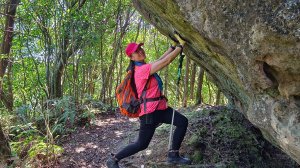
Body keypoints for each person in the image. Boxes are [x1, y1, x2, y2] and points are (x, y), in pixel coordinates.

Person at [106, 34, 191, 168]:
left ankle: (173, 155)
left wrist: (172, 47)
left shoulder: (144, 67)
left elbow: (159, 60)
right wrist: (180, 47)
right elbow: (165, 62)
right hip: (149, 113)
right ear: (132, 57)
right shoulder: (141, 70)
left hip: (160, 108)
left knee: (182, 122)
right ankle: (114, 159)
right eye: (137, 51)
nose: (141, 51)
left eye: (141, 49)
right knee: (142, 144)